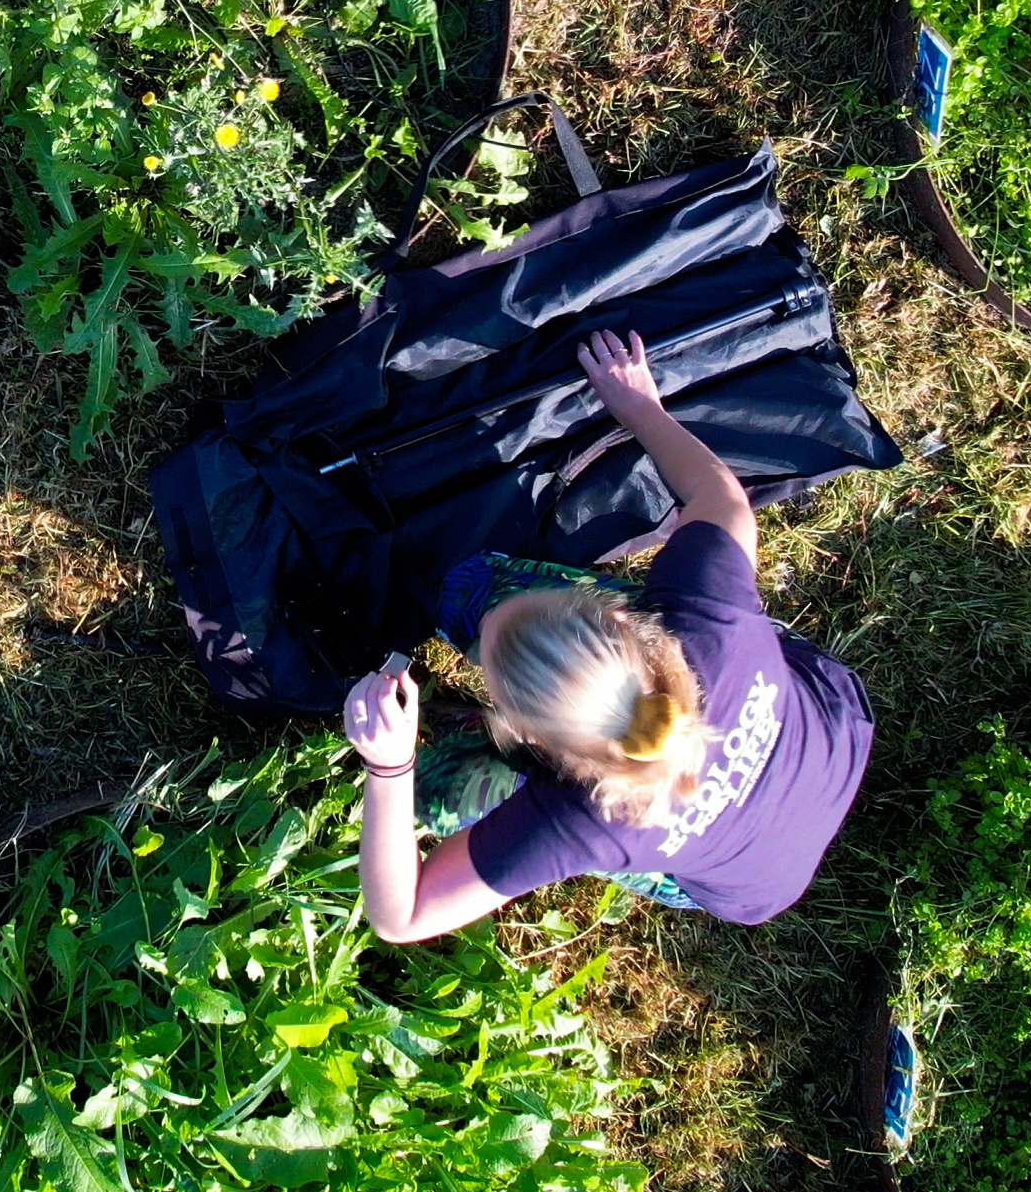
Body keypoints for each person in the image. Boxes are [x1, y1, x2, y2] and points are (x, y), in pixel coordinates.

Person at [341, 327, 870, 937]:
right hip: (833, 727)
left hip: (749, 882)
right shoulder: (709, 623)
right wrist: (641, 408)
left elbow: (402, 916)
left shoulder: (582, 823)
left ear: (537, 742)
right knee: (474, 591)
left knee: (427, 793)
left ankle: (446, 750)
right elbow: (722, 498)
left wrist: (389, 766)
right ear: (621, 624)